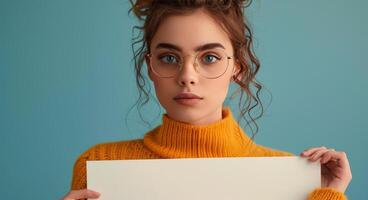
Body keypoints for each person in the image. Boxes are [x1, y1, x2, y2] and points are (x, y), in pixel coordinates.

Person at [61, 0, 352, 199]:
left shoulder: (288, 176)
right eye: (169, 57)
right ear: (150, 66)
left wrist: (326, 193)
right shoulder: (98, 164)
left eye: (209, 57)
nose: (187, 75)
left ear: (237, 66)